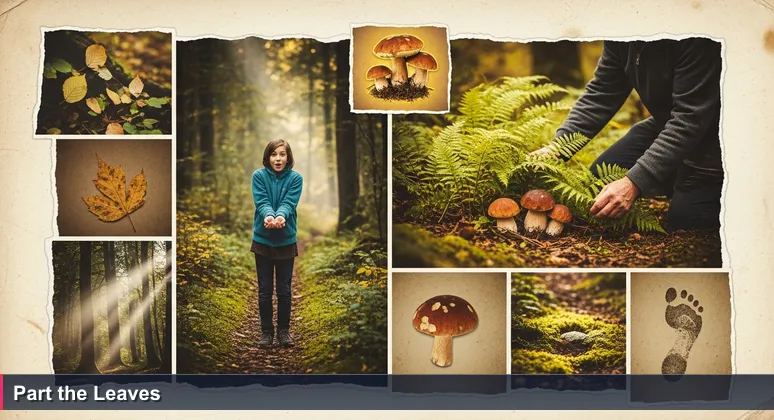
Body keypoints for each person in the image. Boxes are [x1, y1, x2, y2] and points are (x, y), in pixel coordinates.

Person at [533, 38, 723, 231]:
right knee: (601, 177)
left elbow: (690, 118)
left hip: (716, 142)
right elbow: (602, 92)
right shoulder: (620, 37)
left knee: (686, 224)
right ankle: (673, 175)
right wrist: (558, 148)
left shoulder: (695, 39)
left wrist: (635, 182)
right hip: (667, 124)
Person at [251, 139, 303, 348]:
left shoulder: (295, 178)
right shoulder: (258, 176)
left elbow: (289, 202)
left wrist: (280, 216)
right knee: (264, 290)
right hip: (262, 240)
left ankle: (284, 332)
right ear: (268, 156)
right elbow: (261, 200)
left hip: (286, 241)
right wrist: (268, 216)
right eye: (274, 154)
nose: (278, 158)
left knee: (284, 289)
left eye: (282, 154)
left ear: (288, 157)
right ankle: (266, 333)